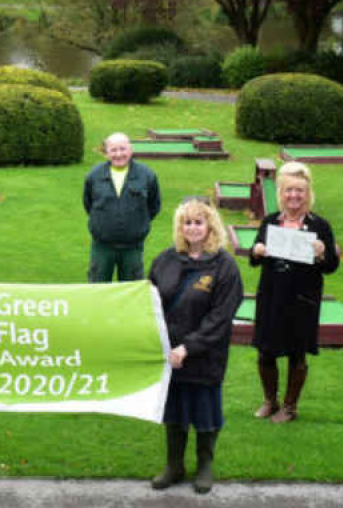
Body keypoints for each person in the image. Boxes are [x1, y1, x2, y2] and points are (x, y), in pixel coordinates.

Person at [149, 198, 243, 494]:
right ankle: (173, 465)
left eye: (198, 222)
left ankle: (205, 466)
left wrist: (187, 348)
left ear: (210, 226)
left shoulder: (224, 266)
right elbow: (148, 302)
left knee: (205, 411)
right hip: (169, 354)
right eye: (187, 222)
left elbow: (220, 317)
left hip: (205, 354)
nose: (192, 228)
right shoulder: (165, 259)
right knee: (174, 410)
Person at [250, 161, 339, 424]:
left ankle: (289, 407)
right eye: (289, 190)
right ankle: (270, 401)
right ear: (281, 192)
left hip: (303, 298)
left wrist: (323, 253)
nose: (294, 196)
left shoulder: (320, 226)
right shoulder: (270, 221)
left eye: (300, 191)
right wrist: (257, 251)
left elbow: (331, 266)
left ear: (307, 193)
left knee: (296, 352)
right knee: (266, 350)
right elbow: (256, 255)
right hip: (272, 295)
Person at [83, 132, 161, 282]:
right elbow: (89, 205)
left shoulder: (147, 175)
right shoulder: (94, 176)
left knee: (130, 291)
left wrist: (137, 224)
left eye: (123, 149)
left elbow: (153, 207)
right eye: (113, 150)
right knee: (97, 289)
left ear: (130, 150)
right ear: (106, 153)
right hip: (102, 247)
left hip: (133, 247)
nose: (119, 154)